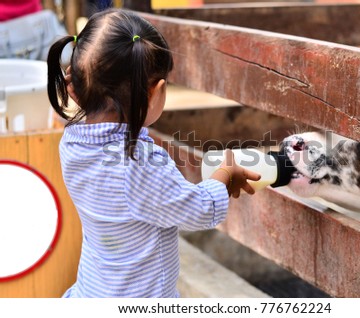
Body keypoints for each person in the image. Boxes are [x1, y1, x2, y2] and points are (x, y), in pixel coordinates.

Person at [47, 9, 260, 298]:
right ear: (155, 91)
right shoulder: (139, 164)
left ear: (77, 90)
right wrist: (223, 177)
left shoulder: (72, 144)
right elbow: (196, 212)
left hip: (94, 291)